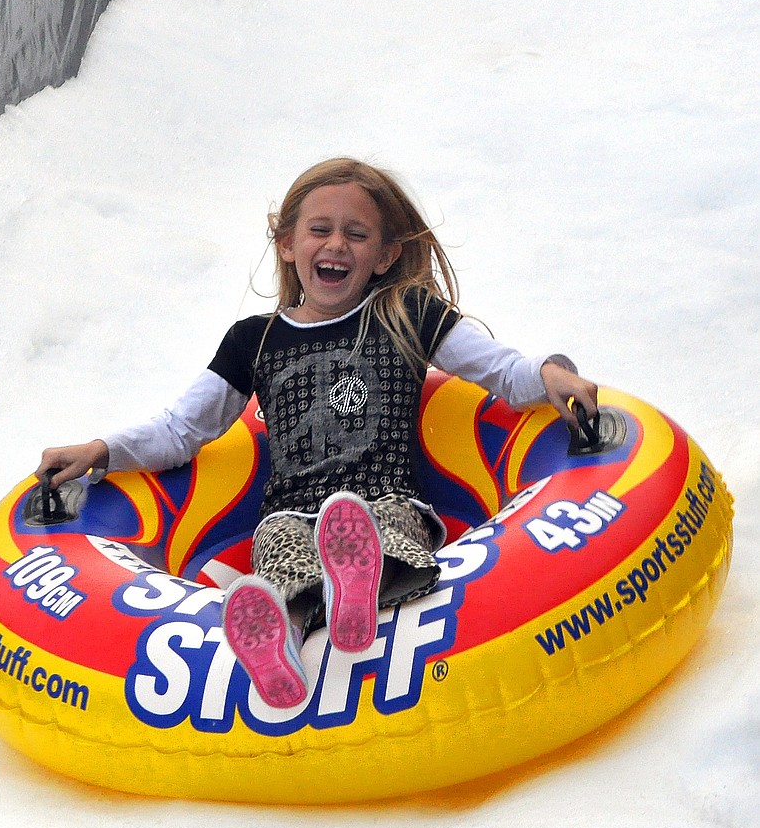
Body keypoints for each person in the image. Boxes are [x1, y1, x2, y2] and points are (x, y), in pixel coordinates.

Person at [37, 157, 598, 710]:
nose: (336, 245)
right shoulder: (252, 342)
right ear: (287, 244)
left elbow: (497, 369)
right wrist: (101, 451)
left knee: (381, 530)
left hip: (386, 499)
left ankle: (354, 588)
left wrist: (548, 372)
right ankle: (277, 637)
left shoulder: (405, 312)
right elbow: (184, 429)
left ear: (385, 256)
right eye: (319, 230)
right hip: (289, 512)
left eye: (357, 234)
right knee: (281, 557)